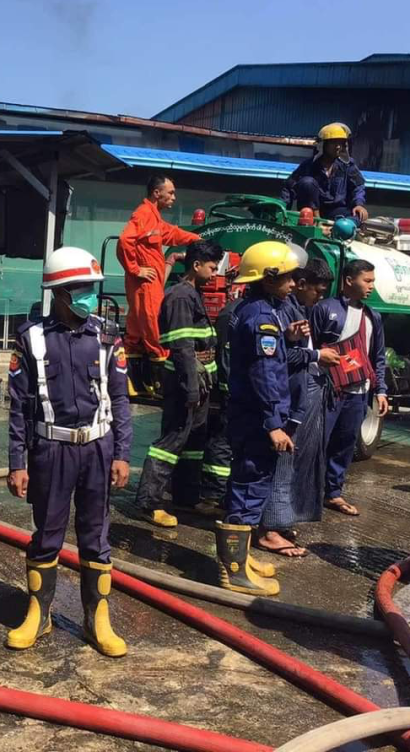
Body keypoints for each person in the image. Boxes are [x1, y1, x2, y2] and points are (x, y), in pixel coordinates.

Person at [7, 246, 132, 656]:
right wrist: (17, 462)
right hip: (51, 451)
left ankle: (98, 621)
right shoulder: (31, 340)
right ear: (60, 293)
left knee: (96, 538)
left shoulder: (108, 337)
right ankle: (38, 616)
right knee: (47, 535)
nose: (89, 298)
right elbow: (19, 407)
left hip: (97, 449)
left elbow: (120, 399)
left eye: (92, 290)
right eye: (82, 290)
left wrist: (122, 454)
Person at [216, 241, 310, 596]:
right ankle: (234, 571)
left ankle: (241, 558)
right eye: (287, 277)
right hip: (256, 419)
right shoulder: (262, 319)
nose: (293, 283)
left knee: (248, 484)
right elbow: (265, 373)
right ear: (268, 278)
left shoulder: (258, 310)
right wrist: (273, 423)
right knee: (249, 486)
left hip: (249, 415)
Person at [134, 240, 225, 528]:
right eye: (211, 267)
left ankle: (186, 498)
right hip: (186, 382)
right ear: (196, 265)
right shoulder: (181, 297)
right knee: (171, 441)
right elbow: (183, 346)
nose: (214, 273)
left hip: (199, 380)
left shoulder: (192, 293)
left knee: (194, 441)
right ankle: (148, 502)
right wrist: (191, 389)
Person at [259, 259, 340, 556]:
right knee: (279, 466)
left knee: (286, 465)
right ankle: (268, 530)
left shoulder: (295, 311)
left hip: (291, 403)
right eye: (317, 291)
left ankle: (277, 523)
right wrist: (316, 355)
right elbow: (278, 359)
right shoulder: (275, 312)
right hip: (282, 403)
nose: (319, 298)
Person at [311, 259, 389, 517]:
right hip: (328, 390)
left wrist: (380, 390)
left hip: (358, 393)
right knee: (317, 444)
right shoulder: (324, 309)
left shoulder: (372, 316)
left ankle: (333, 493)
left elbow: (377, 356)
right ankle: (308, 495)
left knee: (344, 445)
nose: (371, 287)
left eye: (372, 281)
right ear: (348, 280)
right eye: (367, 281)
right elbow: (310, 348)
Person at [116, 176, 201, 390]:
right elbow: (125, 240)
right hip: (145, 284)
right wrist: (136, 269)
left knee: (135, 333)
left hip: (144, 284)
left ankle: (132, 383)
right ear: (157, 193)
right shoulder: (144, 214)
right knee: (156, 329)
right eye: (170, 192)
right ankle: (160, 385)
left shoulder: (154, 218)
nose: (174, 197)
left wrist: (195, 239)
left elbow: (171, 233)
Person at [198, 286, 245, 519]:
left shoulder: (246, 310)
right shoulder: (233, 314)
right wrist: (228, 391)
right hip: (228, 393)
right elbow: (226, 356)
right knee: (221, 443)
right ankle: (212, 496)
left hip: (239, 393)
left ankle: (222, 493)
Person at [280, 123, 368, 222]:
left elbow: (358, 186)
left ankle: (341, 228)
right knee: (307, 182)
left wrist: (359, 205)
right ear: (323, 145)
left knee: (357, 217)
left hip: (335, 210)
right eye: (334, 143)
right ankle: (317, 223)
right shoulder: (308, 165)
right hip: (310, 212)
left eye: (341, 143)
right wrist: (282, 208)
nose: (338, 147)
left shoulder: (348, 165)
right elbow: (289, 187)